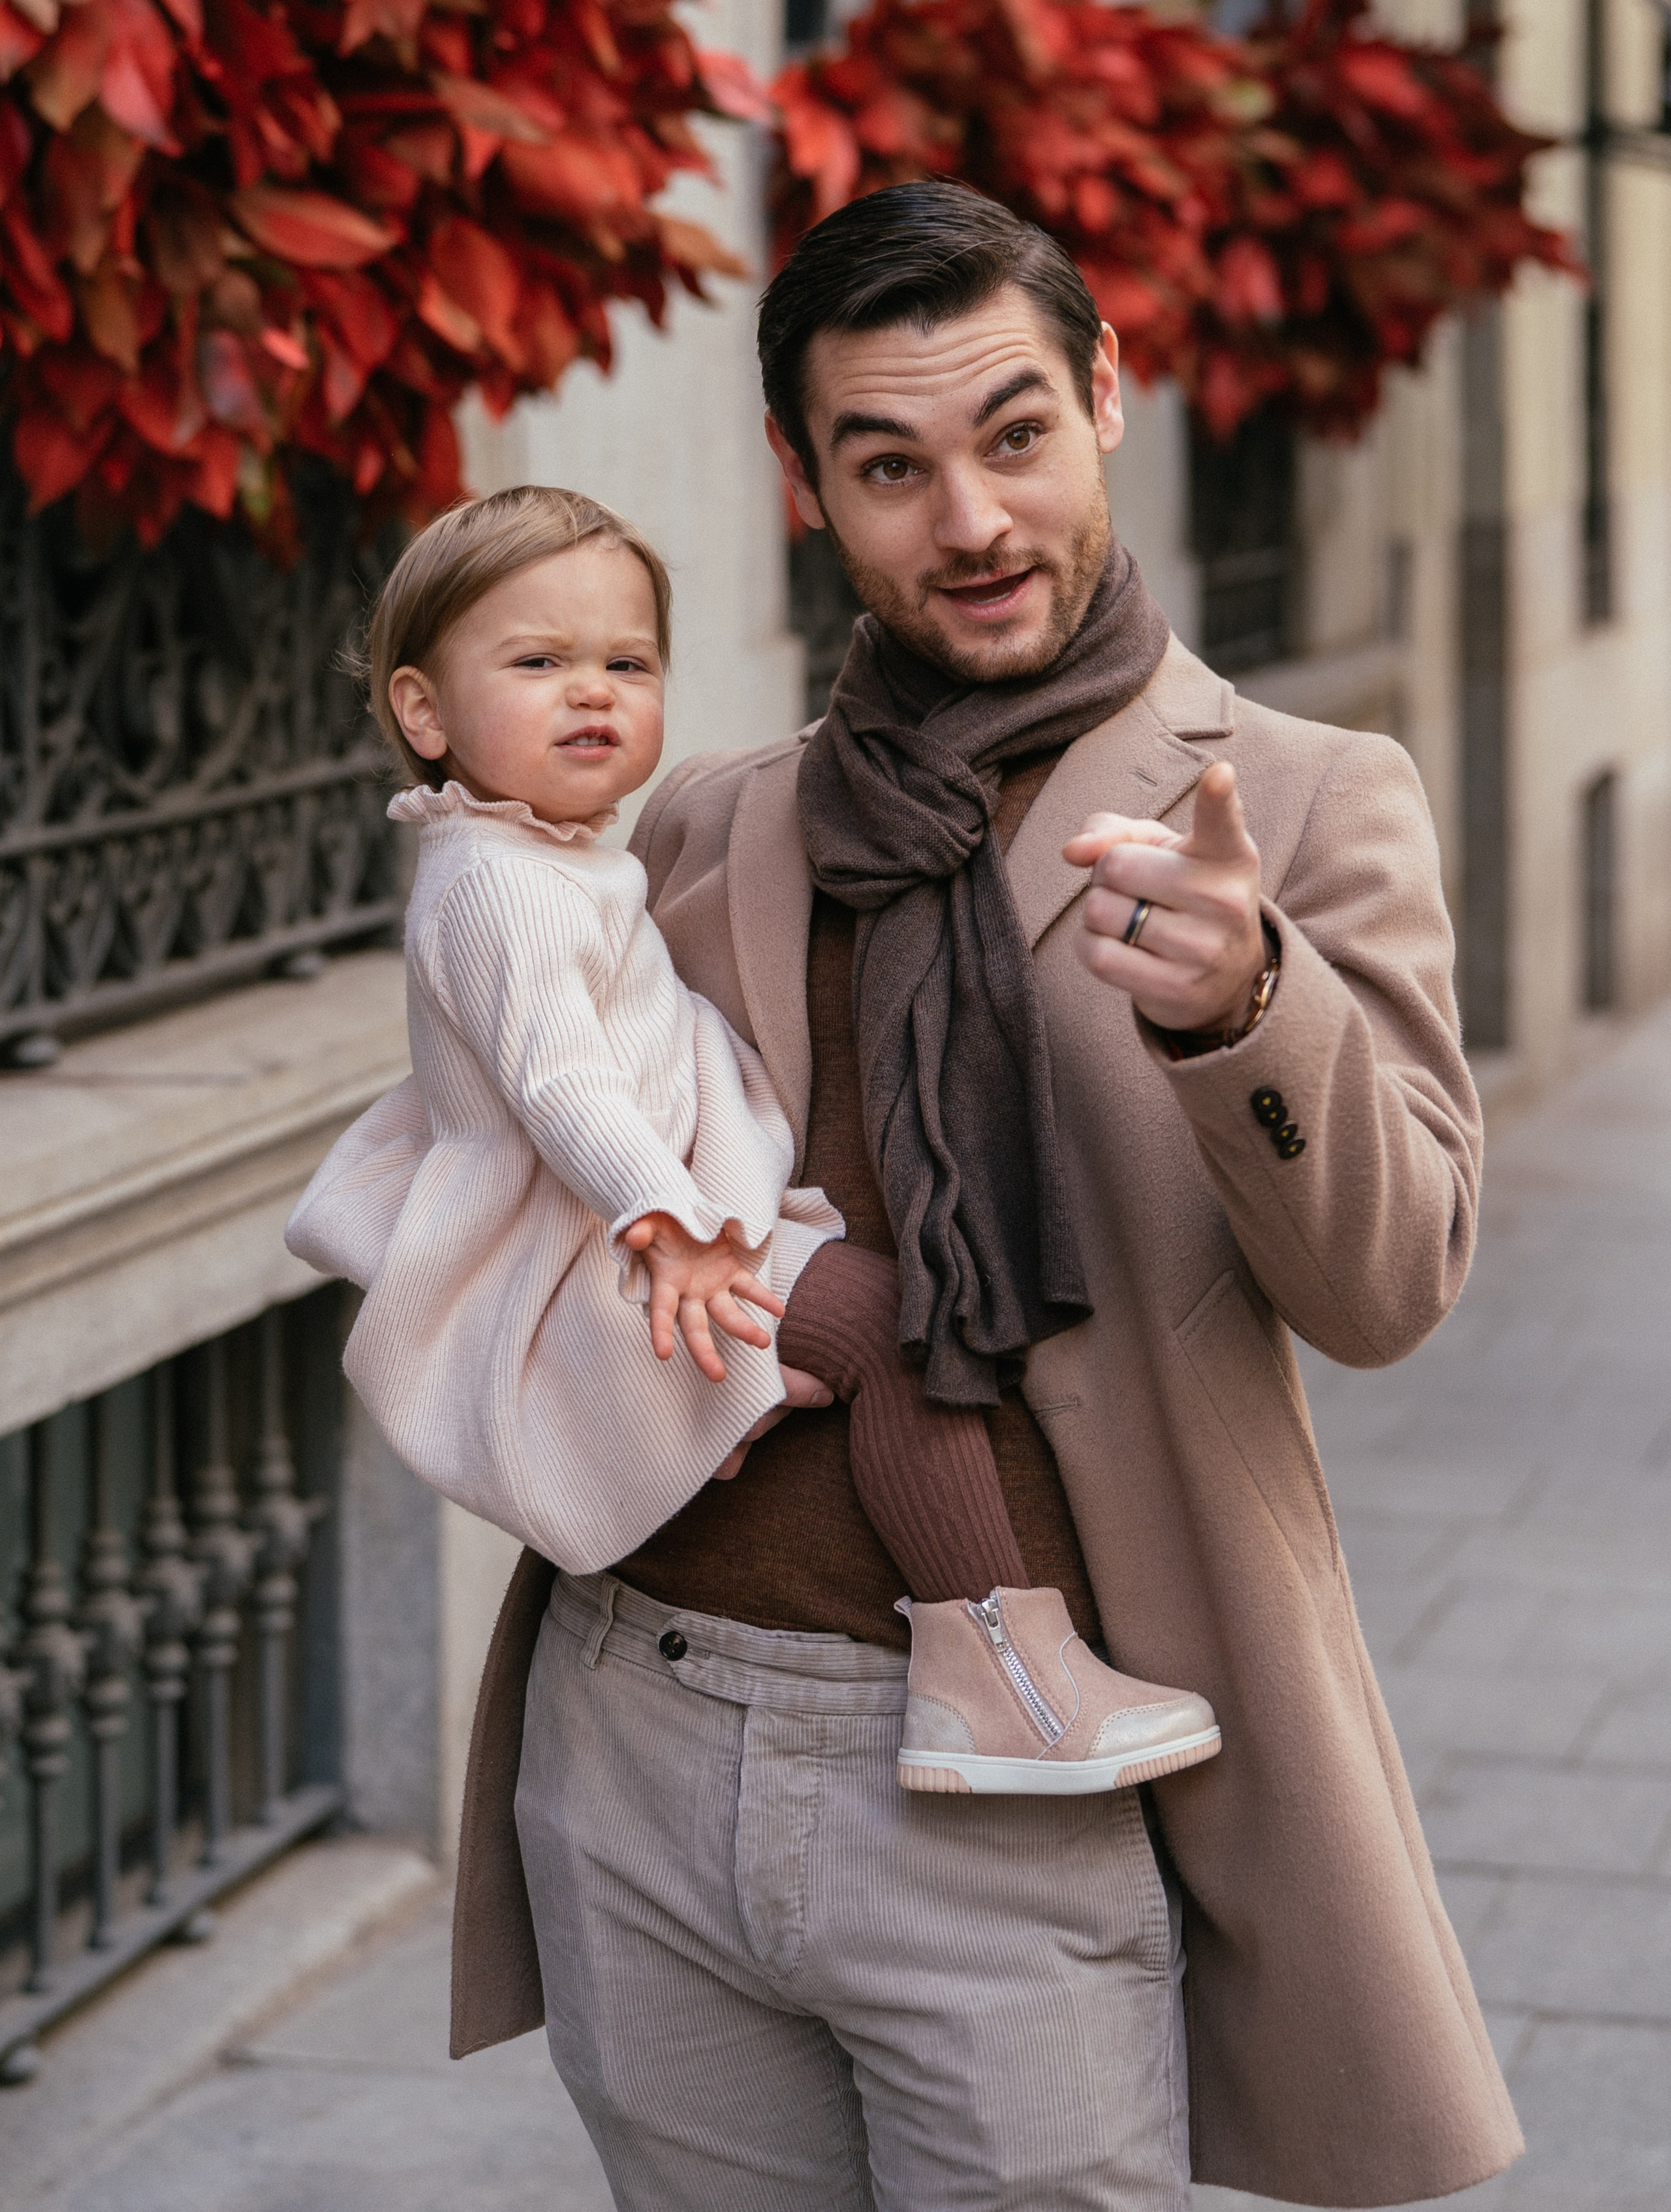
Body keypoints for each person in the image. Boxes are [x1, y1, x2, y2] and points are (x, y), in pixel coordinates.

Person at [448, 179, 1524, 2211]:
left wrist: (1250, 1008)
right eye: (890, 464)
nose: (970, 521)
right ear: (802, 481)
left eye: (1014, 434)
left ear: (1107, 391)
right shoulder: (710, 819)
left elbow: (1394, 1284)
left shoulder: (1292, 801)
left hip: (1014, 1786)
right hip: (643, 1725)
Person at [285, 483, 1222, 1797]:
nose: (593, 692)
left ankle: (961, 1643)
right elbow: (562, 1087)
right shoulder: (496, 884)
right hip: (624, 1244)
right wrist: (666, 1224)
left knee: (844, 1343)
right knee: (889, 1334)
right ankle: (998, 1680)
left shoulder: (540, 857)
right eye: (538, 662)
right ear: (422, 712)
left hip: (645, 1226)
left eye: (627, 661)